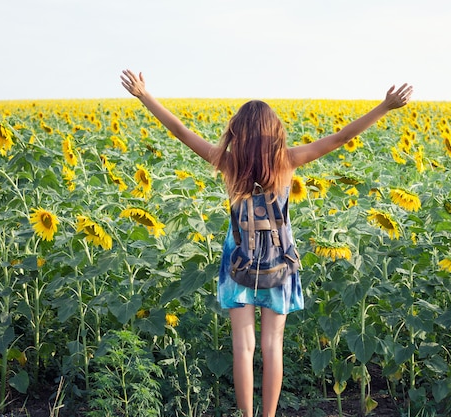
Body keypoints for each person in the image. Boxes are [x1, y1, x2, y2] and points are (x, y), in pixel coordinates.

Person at [120, 69, 412, 417]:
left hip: (238, 262)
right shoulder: (287, 163)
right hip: (280, 262)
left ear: (237, 135)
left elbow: (181, 132)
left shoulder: (228, 165)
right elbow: (339, 138)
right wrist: (383, 107)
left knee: (243, 348)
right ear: (274, 134)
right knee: (273, 347)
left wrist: (144, 96)